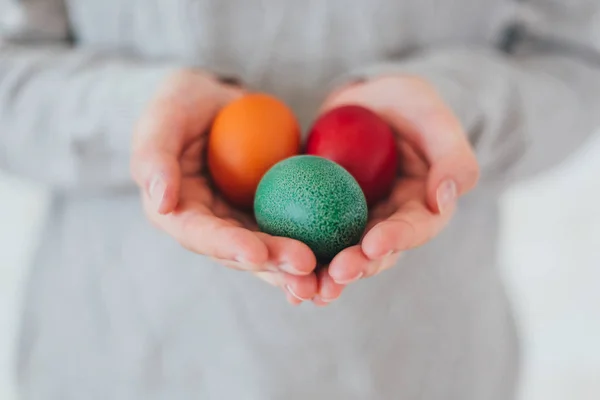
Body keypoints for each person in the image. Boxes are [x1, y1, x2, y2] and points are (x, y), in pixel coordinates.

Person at [1, 0, 599, 398]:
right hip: (123, 360)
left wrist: (458, 107)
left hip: (420, 362)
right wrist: (138, 116)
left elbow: (577, 63)